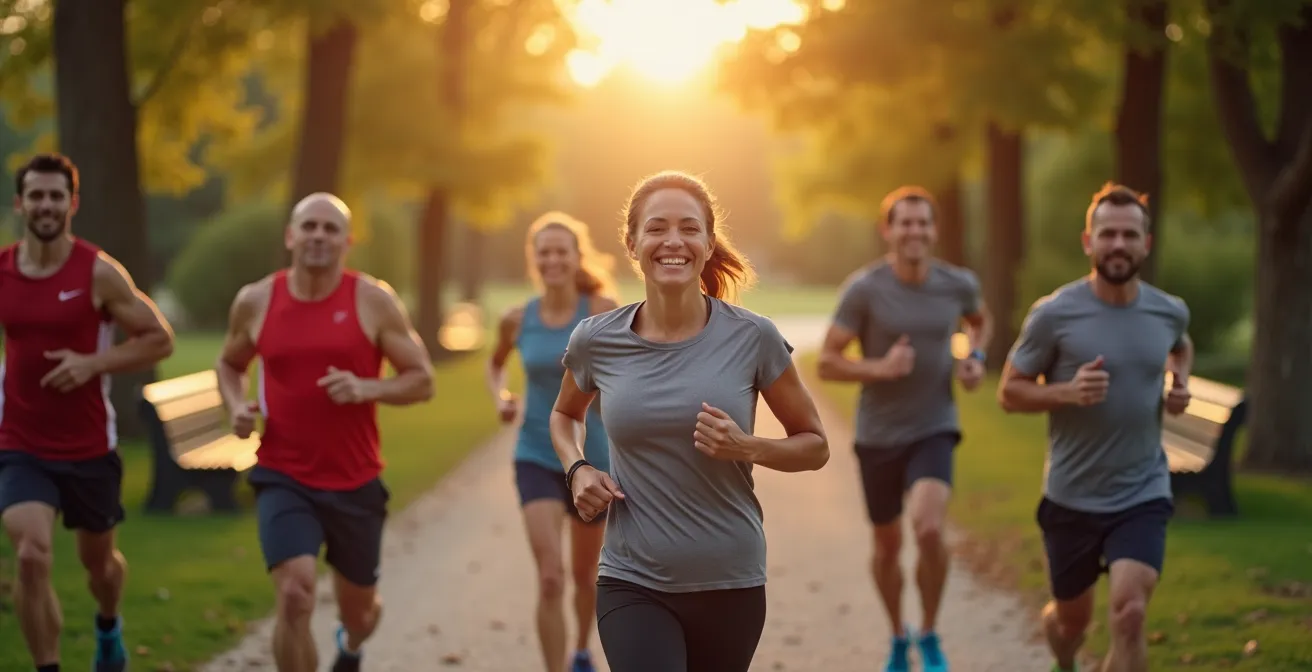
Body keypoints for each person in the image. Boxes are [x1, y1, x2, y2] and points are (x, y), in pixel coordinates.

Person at [548, 170, 830, 672]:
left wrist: (748, 447)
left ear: (707, 242)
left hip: (731, 580)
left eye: (688, 228)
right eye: (656, 228)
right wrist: (578, 468)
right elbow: (565, 414)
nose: (672, 241)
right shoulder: (597, 339)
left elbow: (815, 446)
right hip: (631, 579)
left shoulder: (753, 338)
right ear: (632, 244)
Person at [215, 192, 434, 672]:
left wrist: (366, 387)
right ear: (291, 236)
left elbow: (422, 380)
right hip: (282, 474)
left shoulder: (373, 300)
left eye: (330, 229)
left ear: (347, 242)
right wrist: (236, 407)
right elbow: (229, 364)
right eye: (309, 226)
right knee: (294, 594)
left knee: (361, 612)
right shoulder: (256, 301)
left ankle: (351, 646)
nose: (318, 235)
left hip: (355, 480)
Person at [997, 183, 1192, 672]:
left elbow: (1180, 345)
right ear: (1089, 241)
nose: (1119, 244)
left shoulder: (1168, 310)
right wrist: (1066, 392)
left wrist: (1179, 382)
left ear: (1147, 242)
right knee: (1071, 626)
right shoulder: (1054, 314)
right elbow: (1009, 392)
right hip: (1072, 497)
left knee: (1129, 614)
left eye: (1130, 234)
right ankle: (1065, 658)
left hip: (1142, 490)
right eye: (1108, 234)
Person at [0, 153, 176, 672]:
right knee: (31, 557)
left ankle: (107, 623)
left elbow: (159, 339)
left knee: (99, 567)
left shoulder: (98, 272)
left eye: (56, 195)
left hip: (88, 447)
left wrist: (93, 363)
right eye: (36, 195)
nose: (46, 204)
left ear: (72, 203)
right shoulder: (3, 272)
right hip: (19, 444)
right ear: (20, 202)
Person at [816, 185, 991, 672]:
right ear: (887, 230)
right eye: (904, 223)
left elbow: (979, 322)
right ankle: (898, 634)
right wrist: (880, 368)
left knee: (930, 528)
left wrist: (974, 356)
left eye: (922, 223)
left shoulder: (957, 284)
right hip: (878, 433)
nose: (914, 231)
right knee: (888, 545)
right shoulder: (864, 289)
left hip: (935, 423)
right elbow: (828, 363)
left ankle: (930, 632)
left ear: (934, 230)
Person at [486, 212, 619, 672]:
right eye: (544, 252)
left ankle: (582, 650)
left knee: (586, 577)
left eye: (562, 251)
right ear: (534, 260)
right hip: (537, 455)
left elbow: (630, 367)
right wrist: (501, 396)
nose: (553, 259)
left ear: (577, 257)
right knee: (549, 578)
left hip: (593, 458)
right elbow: (496, 363)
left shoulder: (603, 310)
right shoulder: (517, 318)